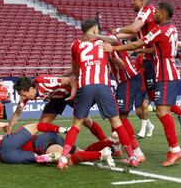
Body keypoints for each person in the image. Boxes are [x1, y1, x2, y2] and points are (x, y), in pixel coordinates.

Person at [104, 2, 181, 167]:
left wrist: (113, 48)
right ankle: (174, 148)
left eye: (156, 13)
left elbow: (135, 43)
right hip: (168, 73)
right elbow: (150, 47)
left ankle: (175, 149)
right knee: (162, 112)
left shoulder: (159, 30)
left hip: (165, 75)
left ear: (162, 14)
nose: (153, 16)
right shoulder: (172, 29)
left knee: (162, 113)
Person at [57, 19, 139, 169]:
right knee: (116, 122)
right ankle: (132, 157)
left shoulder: (75, 45)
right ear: (94, 31)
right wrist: (111, 55)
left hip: (85, 85)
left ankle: (62, 159)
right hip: (103, 86)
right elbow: (121, 65)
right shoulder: (105, 44)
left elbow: (75, 70)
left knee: (76, 124)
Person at [112, 0, 181, 135]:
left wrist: (117, 32)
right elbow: (136, 36)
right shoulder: (152, 18)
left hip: (154, 62)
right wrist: (122, 40)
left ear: (141, 0)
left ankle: (179, 126)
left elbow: (136, 30)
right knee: (154, 97)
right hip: (149, 61)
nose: (132, 3)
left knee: (158, 103)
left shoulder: (146, 11)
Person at [0, 111, 115, 167]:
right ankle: (109, 144)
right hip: (46, 139)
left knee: (69, 157)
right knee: (73, 155)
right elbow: (5, 125)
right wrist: (7, 129)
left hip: (5, 156)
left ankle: (105, 150)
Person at [13, 76, 110, 146]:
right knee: (43, 124)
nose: (23, 97)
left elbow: (71, 80)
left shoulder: (44, 82)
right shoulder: (27, 93)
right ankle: (54, 145)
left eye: (23, 95)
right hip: (56, 97)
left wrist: (72, 94)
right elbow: (17, 113)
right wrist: (9, 128)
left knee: (85, 120)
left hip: (70, 93)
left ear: (31, 89)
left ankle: (107, 143)